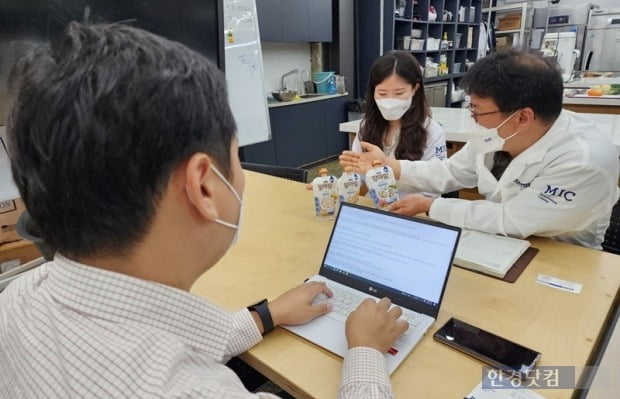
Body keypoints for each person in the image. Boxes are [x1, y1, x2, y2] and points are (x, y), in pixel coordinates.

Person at [0, 22, 407, 398]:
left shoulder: (19, 299)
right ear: (203, 186)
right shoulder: (196, 390)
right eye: (235, 156)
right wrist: (366, 350)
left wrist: (267, 315)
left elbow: (160, 327)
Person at [340, 49, 619, 249]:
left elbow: (510, 219)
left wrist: (432, 206)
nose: (472, 117)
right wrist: (390, 165)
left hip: (563, 255)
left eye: (478, 110)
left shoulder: (584, 161)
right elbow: (448, 171)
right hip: (496, 241)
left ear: (522, 117)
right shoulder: (495, 133)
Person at [344, 50, 447, 196]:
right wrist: (339, 186)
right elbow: (358, 174)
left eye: (399, 93)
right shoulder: (368, 126)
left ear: (415, 89)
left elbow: (436, 183)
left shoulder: (431, 131)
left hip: (411, 211)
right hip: (374, 207)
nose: (390, 101)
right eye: (382, 93)